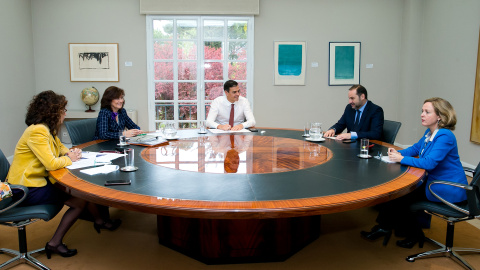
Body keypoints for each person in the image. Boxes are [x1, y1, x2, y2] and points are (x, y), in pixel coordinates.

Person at [6, 91, 120, 259]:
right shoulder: (37, 131)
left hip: (37, 182)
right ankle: (55, 243)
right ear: (53, 111)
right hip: (24, 189)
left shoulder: (47, 130)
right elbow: (51, 163)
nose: (65, 113)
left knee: (80, 195)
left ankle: (98, 221)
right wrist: (69, 158)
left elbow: (61, 149)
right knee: (79, 200)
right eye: (63, 109)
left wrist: (72, 152)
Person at [361, 97, 467, 248]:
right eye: (422, 111)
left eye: (427, 112)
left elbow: (429, 163)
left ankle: (412, 234)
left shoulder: (445, 136)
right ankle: (385, 228)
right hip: (433, 182)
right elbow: (416, 149)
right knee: (396, 193)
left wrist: (401, 158)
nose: (422, 114)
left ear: (440, 116)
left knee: (402, 197)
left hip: (447, 188)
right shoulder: (430, 132)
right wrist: (397, 153)